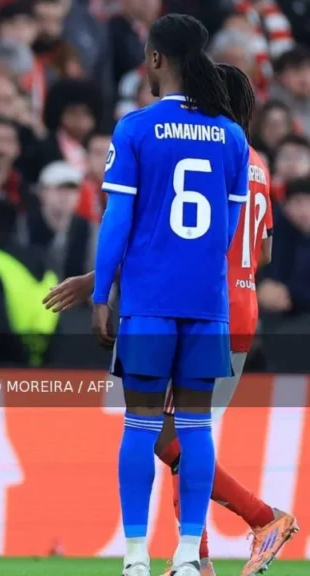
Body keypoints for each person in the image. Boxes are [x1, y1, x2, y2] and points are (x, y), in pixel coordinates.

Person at [43, 64, 299, 576]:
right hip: (240, 309)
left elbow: (169, 242)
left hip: (196, 306)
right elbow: (264, 251)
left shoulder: (197, 151)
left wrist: (97, 281)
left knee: (168, 436)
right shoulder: (253, 161)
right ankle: (196, 558)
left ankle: (258, 520)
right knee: (183, 433)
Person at [91, 14, 248, 576]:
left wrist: (102, 292)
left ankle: (136, 557)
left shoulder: (136, 127)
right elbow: (229, 229)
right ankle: (186, 557)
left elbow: (117, 219)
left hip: (149, 303)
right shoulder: (232, 135)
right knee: (197, 428)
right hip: (206, 303)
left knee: (140, 424)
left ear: (156, 59)